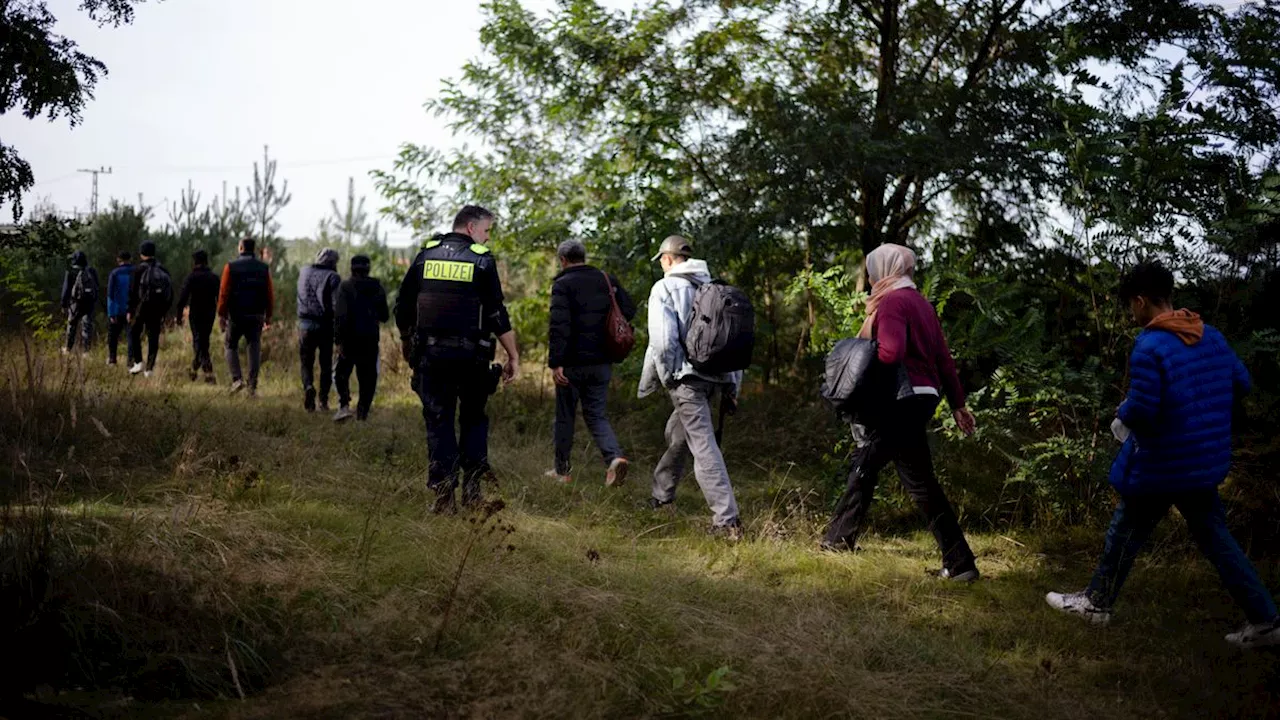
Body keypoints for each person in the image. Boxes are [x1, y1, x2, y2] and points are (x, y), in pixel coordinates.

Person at [1046, 261, 1279, 648]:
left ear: (1140, 302)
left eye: (1130, 306)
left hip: (1160, 462)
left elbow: (1143, 408)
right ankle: (1266, 620)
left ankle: (1096, 604)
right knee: (1216, 538)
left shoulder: (1150, 344)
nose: (1131, 314)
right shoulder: (1211, 335)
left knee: (1125, 530)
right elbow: (1242, 382)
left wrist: (1121, 416)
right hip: (1201, 463)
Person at [819, 244, 980, 582]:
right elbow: (944, 362)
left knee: (869, 465)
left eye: (872, 269)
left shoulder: (892, 302)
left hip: (899, 399)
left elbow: (891, 353)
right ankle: (960, 562)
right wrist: (958, 405)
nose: (871, 275)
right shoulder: (922, 303)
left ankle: (837, 541)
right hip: (923, 397)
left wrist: (860, 358)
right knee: (911, 477)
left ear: (885, 270)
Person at [395, 205, 520, 514]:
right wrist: (513, 354)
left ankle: (443, 498)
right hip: (471, 358)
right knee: (474, 419)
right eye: (487, 231)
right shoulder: (482, 260)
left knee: (438, 423)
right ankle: (473, 492)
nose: (488, 238)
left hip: (432, 356)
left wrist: (406, 340)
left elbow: (403, 304)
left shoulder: (426, 255)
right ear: (470, 228)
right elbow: (495, 313)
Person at [638, 235, 744, 539]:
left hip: (686, 378)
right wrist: (732, 386)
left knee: (703, 447)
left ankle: (727, 521)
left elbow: (663, 340)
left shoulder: (666, 287)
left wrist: (669, 375)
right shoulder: (714, 288)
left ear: (668, 259)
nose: (660, 264)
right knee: (679, 436)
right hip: (716, 378)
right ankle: (662, 496)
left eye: (661, 259)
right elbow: (731, 342)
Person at [544, 239, 637, 486]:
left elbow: (559, 326)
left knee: (565, 416)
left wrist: (556, 363)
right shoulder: (606, 279)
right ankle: (614, 458)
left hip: (573, 364)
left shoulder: (563, 284)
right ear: (584, 256)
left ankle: (562, 472)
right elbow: (629, 310)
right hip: (602, 362)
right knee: (596, 415)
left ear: (563, 260)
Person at [333, 255, 389, 422]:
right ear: (368, 269)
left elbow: (340, 316)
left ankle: (344, 406)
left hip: (349, 340)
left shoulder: (345, 287)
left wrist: (338, 340)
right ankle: (362, 413)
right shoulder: (377, 287)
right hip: (370, 339)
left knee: (341, 374)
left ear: (352, 268)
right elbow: (385, 315)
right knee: (368, 378)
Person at [217, 238, 275, 396]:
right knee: (254, 347)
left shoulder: (230, 267)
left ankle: (237, 380)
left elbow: (223, 293)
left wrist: (221, 314)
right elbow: (270, 294)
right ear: (253, 249)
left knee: (230, 345)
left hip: (236, 314)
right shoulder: (264, 268)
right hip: (256, 315)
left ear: (241, 248)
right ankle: (252, 387)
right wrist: (268, 316)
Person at [297, 248, 341, 412]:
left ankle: (308, 386)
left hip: (304, 325)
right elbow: (337, 306)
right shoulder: (333, 277)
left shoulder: (304, 272)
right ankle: (323, 401)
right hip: (325, 326)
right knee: (325, 365)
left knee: (306, 363)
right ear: (333, 263)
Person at [127, 241, 173, 377]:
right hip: (157, 309)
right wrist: (165, 310)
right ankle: (150, 369)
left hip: (141, 309)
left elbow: (132, 292)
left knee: (134, 333)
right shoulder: (163, 270)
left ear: (141, 254)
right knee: (153, 337)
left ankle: (138, 362)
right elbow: (169, 293)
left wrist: (130, 310)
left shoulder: (137, 270)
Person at [175, 249, 221, 384]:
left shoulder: (191, 277)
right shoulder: (213, 277)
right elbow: (220, 297)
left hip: (196, 312)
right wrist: (223, 314)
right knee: (204, 340)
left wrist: (179, 315)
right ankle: (198, 369)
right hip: (210, 313)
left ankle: (207, 372)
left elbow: (183, 297)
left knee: (198, 340)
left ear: (195, 262)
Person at [60, 250, 99, 355]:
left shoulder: (71, 271)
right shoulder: (91, 270)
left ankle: (68, 349)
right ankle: (87, 351)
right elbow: (97, 286)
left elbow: (66, 289)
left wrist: (63, 304)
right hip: (89, 303)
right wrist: (94, 300)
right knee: (87, 326)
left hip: (75, 304)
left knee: (72, 325)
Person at [105, 252, 133, 366]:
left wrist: (111, 312)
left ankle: (112, 359)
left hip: (117, 310)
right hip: (132, 310)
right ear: (130, 259)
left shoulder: (114, 273)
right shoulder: (136, 272)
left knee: (113, 336)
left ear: (118, 259)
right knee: (131, 336)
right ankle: (131, 361)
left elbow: (110, 294)